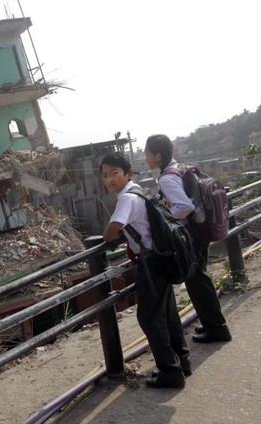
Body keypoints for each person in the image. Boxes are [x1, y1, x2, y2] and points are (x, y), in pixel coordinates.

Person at [101, 151, 190, 389]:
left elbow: (111, 231)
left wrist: (110, 234)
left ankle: (170, 372)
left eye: (114, 174)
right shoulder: (137, 189)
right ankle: (182, 361)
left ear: (128, 173)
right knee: (167, 313)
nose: (109, 179)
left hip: (150, 263)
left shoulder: (126, 199)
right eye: (105, 175)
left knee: (150, 317)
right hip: (160, 258)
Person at [144, 134, 232, 343]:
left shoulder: (166, 177)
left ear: (158, 155)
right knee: (199, 278)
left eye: (147, 154)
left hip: (191, 234)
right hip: (200, 229)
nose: (145, 158)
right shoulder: (181, 168)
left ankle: (217, 328)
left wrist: (168, 214)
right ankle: (213, 323)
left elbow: (185, 206)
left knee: (197, 281)